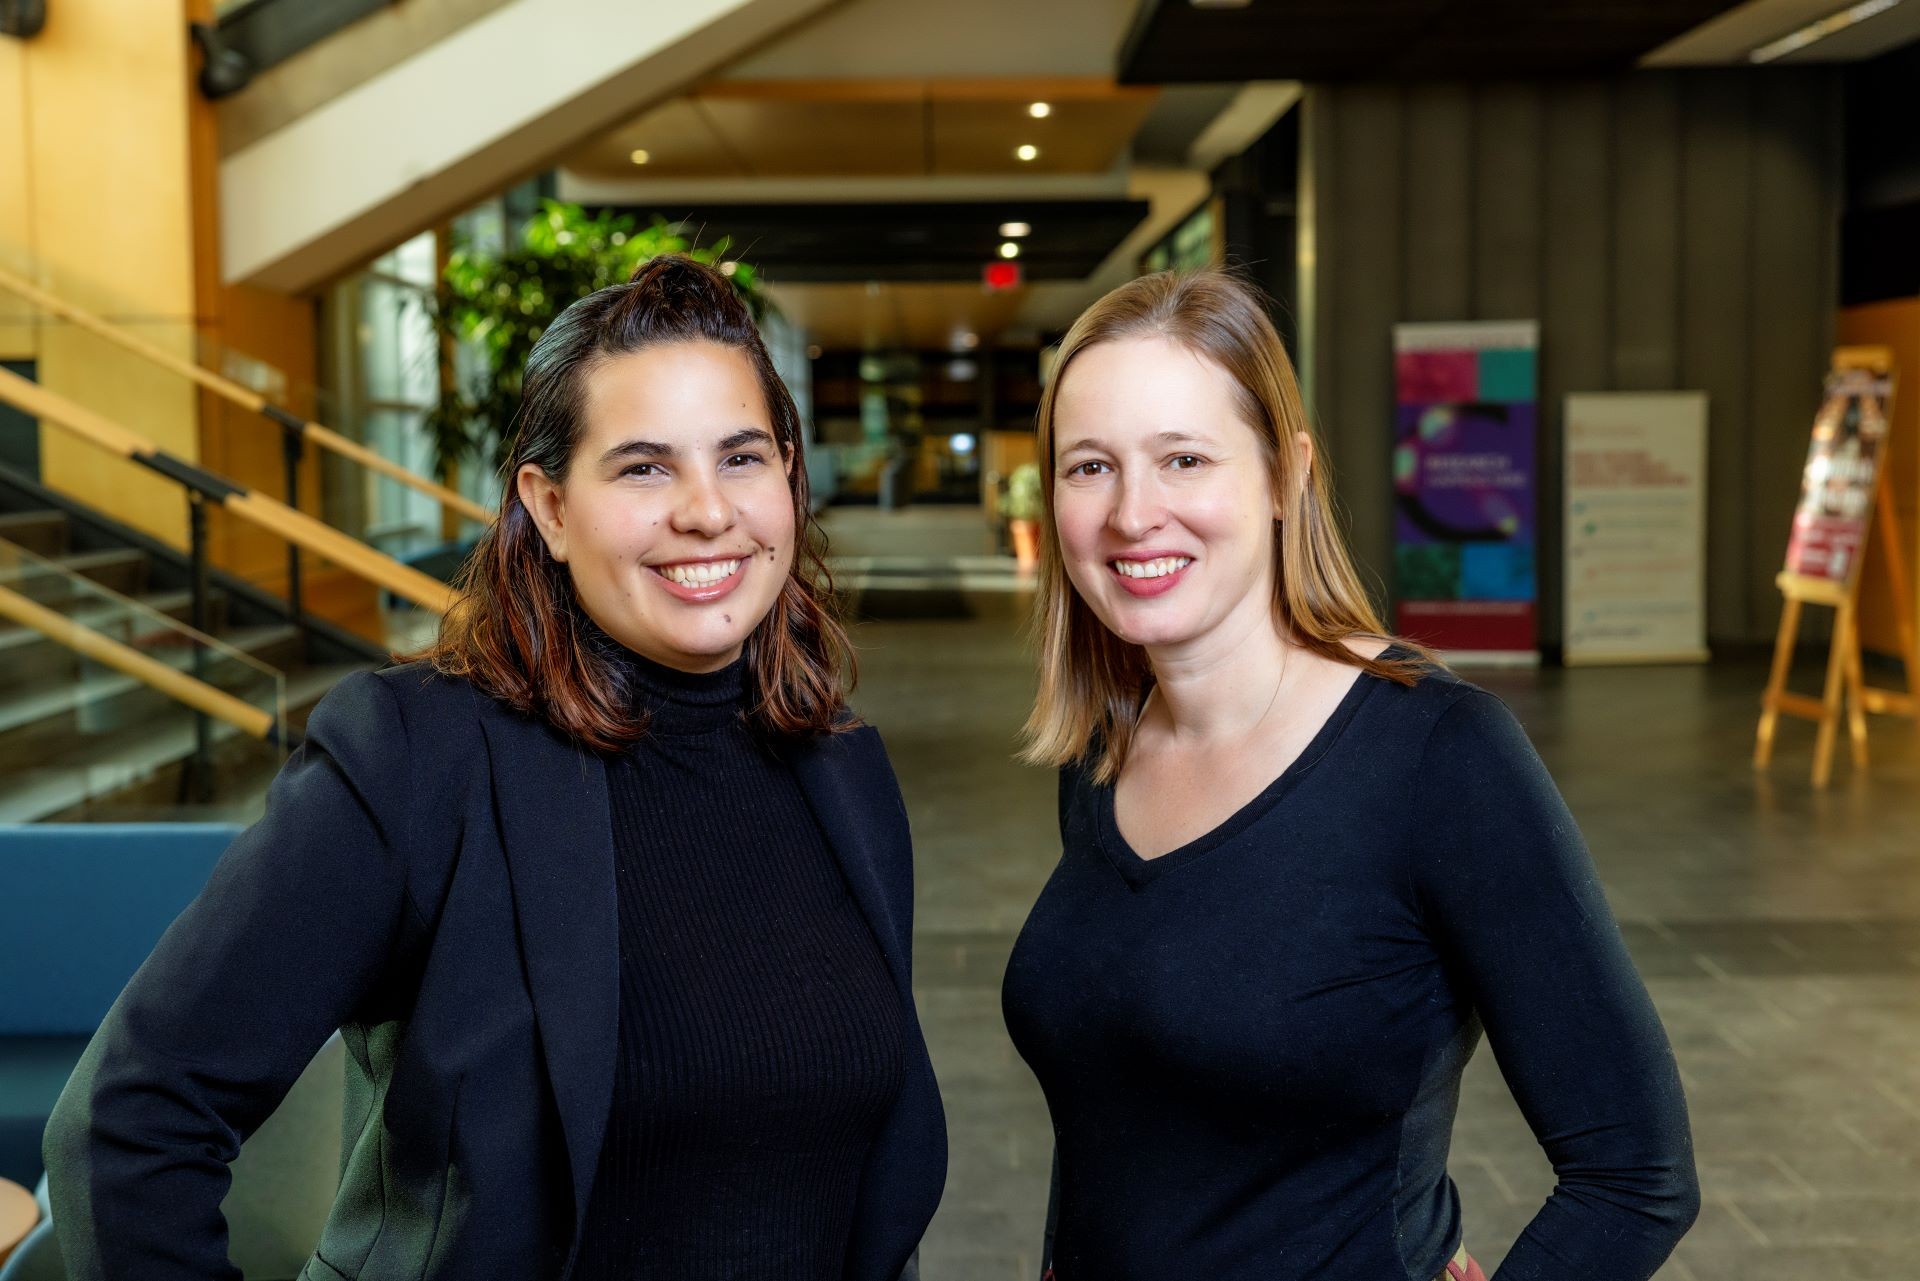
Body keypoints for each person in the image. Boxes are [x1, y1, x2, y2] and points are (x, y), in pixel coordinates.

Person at [44, 256, 946, 1281]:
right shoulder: (415, 759)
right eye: (644, 467)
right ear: (550, 507)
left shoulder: (842, 768)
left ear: (789, 476)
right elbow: (132, 1121)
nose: (707, 511)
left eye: (742, 458)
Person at [1000, 269, 1697, 1281]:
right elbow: (1123, 1115)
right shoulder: (1107, 749)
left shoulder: (1438, 755)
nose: (1131, 514)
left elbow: (1637, 1173)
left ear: (1286, 474)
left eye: (1183, 458)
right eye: (1090, 467)